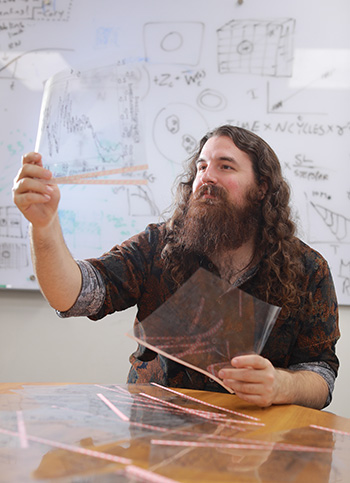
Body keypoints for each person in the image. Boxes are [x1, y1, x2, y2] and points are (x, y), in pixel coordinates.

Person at [12, 125, 339, 409]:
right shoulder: (160, 244)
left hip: (254, 447)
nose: (207, 177)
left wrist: (280, 386)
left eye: (225, 167)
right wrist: (44, 226)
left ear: (262, 187)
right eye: (201, 167)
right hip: (153, 434)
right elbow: (74, 294)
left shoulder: (307, 270)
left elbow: (321, 375)